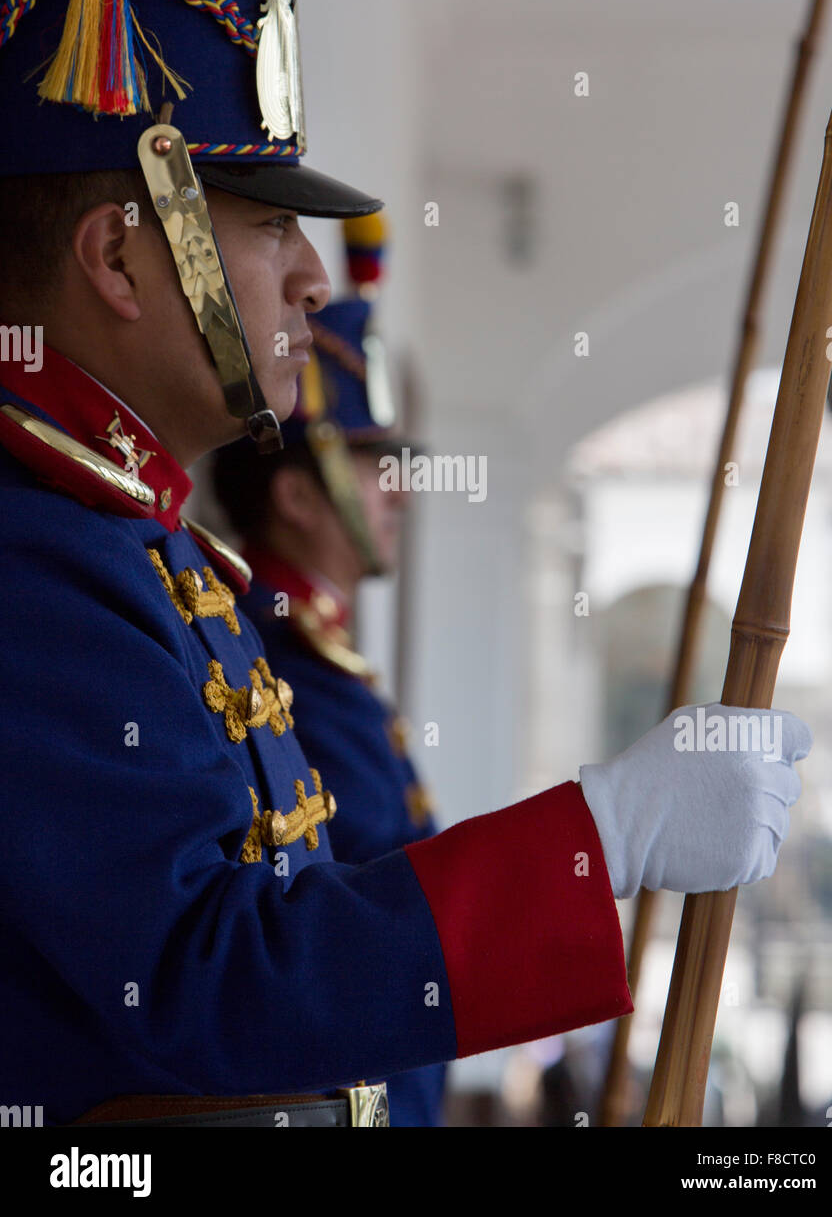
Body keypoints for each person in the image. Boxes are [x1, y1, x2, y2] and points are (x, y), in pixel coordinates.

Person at [0, 0, 811, 1128]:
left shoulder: (141, 550)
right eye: (268, 224)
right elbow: (216, 979)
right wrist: (595, 837)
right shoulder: (35, 564)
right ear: (117, 258)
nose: (310, 281)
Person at [212, 222, 445, 1124]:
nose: (400, 492)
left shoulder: (320, 651)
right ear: (298, 493)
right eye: (373, 463)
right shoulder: (269, 650)